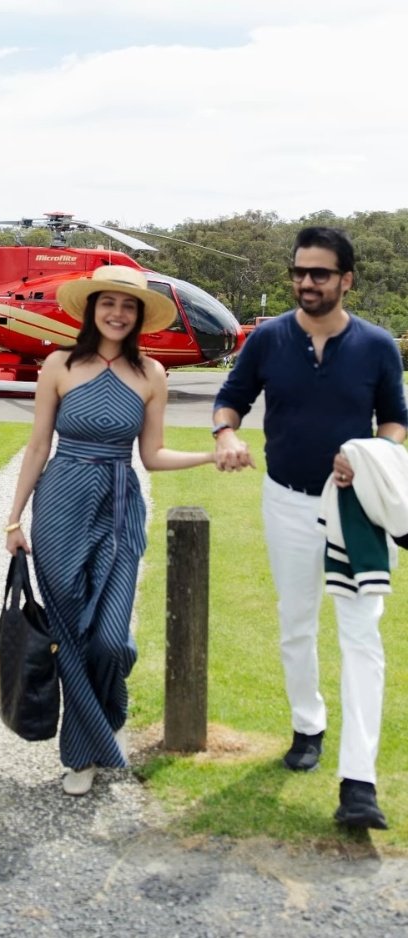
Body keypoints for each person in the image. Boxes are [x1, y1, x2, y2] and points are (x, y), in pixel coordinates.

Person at [213, 226, 408, 830]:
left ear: (347, 278)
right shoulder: (268, 339)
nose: (306, 283)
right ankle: (307, 726)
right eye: (300, 272)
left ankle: (359, 781)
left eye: (320, 273)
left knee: (361, 637)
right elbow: (232, 398)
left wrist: (373, 453)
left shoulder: (377, 345)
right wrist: (226, 432)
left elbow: (397, 421)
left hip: (354, 511)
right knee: (296, 624)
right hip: (287, 502)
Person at [5, 265, 216, 796]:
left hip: (121, 503)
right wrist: (14, 517)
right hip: (60, 503)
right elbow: (37, 447)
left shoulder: (152, 374)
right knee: (72, 633)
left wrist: (211, 455)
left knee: (110, 639)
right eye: (109, 304)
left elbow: (153, 455)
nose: (118, 314)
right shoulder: (59, 365)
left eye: (129, 307)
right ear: (92, 309)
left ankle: (108, 713)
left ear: (140, 316)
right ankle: (84, 754)